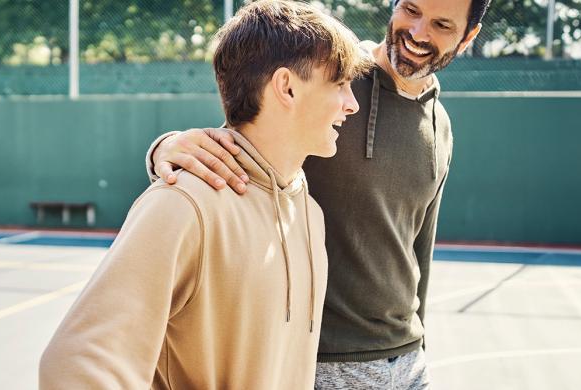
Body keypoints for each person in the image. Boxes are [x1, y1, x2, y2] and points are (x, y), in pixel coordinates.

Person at [142, 0, 490, 388]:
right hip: (321, 363)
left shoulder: (440, 124)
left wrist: (420, 341)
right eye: (410, 10)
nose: (419, 32)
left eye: (442, 25)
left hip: (408, 361)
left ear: (468, 37)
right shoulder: (334, 76)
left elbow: (419, 246)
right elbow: (244, 139)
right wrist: (165, 147)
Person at [38, 1, 372, 388]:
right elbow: (75, 365)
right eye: (339, 84)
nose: (352, 104)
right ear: (287, 87)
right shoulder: (183, 205)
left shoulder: (309, 214)